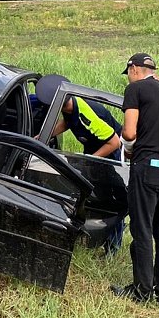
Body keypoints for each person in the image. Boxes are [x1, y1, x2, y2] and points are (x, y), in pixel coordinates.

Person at [110, 53, 159, 304]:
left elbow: (129, 132)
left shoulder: (136, 89)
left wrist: (129, 150)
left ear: (133, 69)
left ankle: (142, 291)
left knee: (142, 228)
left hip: (148, 167)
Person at [34, 74, 125, 254]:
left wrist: (90, 161)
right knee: (90, 194)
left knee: (111, 202)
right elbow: (67, 123)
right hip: (94, 150)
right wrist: (43, 136)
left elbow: (115, 142)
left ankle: (113, 247)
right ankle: (88, 234)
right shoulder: (69, 107)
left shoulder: (87, 114)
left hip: (109, 154)